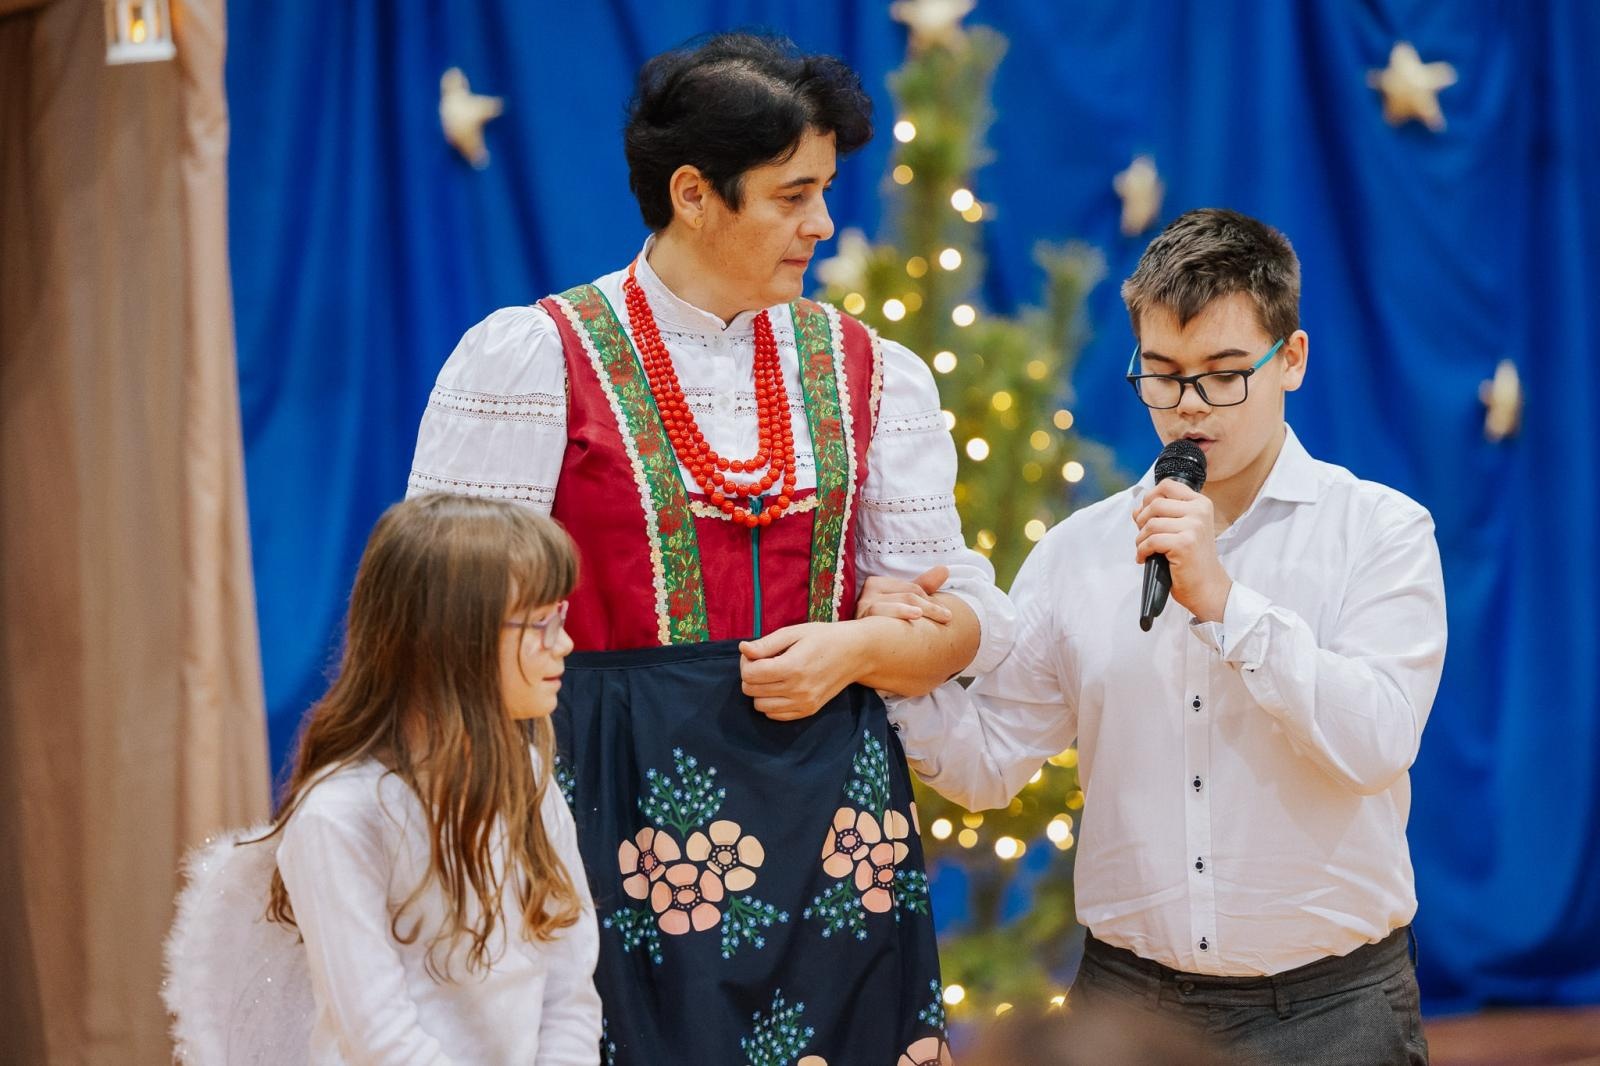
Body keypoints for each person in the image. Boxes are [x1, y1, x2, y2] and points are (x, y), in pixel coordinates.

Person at [406, 32, 1012, 1065]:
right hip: (603, 818)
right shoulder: (535, 357)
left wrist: (855, 651)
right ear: (694, 193)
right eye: (793, 195)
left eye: (825, 191)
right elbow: (442, 630)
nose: (822, 223)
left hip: (835, 832)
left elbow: (964, 621)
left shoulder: (874, 373)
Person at [883, 208, 1446, 1065]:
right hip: (1128, 1006)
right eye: (1162, 376)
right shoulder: (1082, 550)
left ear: (1290, 359)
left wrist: (1223, 599)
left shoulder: (1379, 530)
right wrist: (898, 662)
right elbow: (987, 762)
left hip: (1334, 1013)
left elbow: (1375, 743)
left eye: (1224, 375)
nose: (1189, 409)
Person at [265, 493, 601, 1063]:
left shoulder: (529, 775)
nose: (564, 643)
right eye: (541, 622)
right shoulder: (339, 817)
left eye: (560, 616)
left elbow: (570, 994)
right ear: (451, 639)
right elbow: (381, 1040)